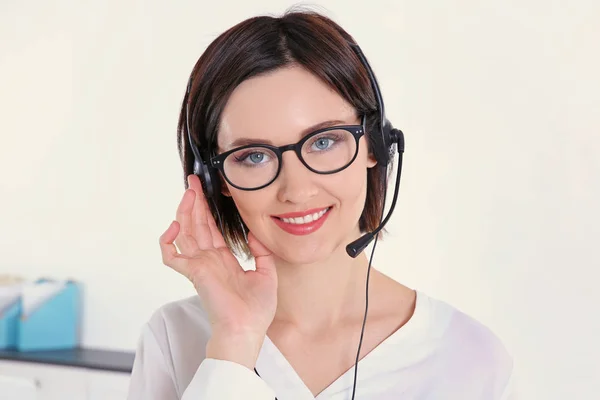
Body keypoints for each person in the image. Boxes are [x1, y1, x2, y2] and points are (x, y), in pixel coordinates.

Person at [127, 9, 515, 400]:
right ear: (216, 179)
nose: (296, 190)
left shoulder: (466, 357)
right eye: (254, 156)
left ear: (374, 145)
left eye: (324, 142)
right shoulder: (174, 338)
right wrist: (234, 345)